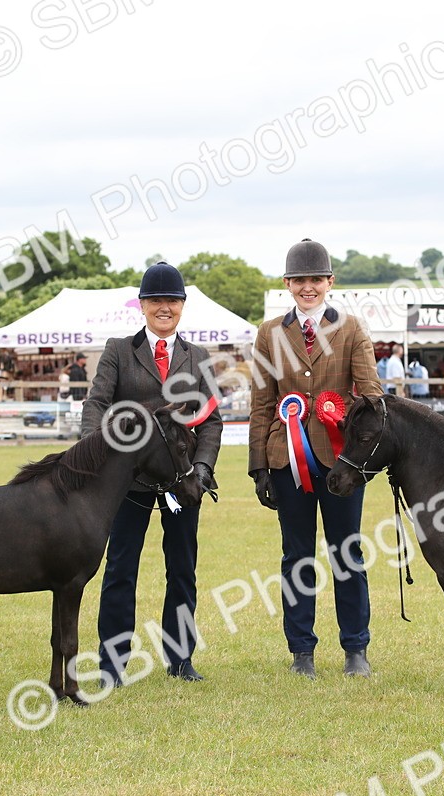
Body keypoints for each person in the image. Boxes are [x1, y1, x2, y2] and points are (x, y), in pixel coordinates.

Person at [248, 238, 383, 680]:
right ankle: (301, 650)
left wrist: (363, 450)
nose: (308, 287)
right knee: (297, 556)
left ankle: (355, 648)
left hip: (341, 459)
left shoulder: (351, 328)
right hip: (286, 458)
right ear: (288, 283)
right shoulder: (270, 333)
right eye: (300, 280)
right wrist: (258, 466)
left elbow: (371, 396)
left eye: (316, 280)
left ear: (330, 282)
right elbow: (262, 404)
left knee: (347, 553)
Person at [83, 261, 222, 685]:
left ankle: (180, 659)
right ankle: (113, 663)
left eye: (172, 301)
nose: (165, 308)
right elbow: (96, 404)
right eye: (156, 301)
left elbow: (213, 421)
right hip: (130, 482)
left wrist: (201, 469)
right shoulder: (119, 350)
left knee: (182, 569)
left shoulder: (198, 357)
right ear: (142, 305)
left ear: (182, 306)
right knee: (121, 568)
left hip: (183, 480)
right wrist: (94, 452)